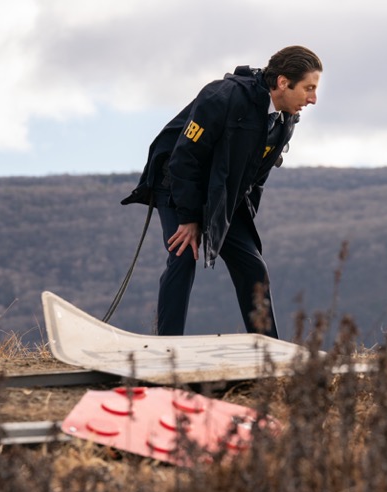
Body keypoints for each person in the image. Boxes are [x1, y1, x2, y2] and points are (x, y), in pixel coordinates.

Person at [122, 45, 322, 338]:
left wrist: (238, 219)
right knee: (183, 256)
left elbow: (256, 178)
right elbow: (184, 159)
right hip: (177, 183)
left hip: (222, 193)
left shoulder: (285, 121)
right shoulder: (222, 96)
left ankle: (268, 350)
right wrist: (189, 217)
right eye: (309, 88)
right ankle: (167, 347)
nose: (313, 99)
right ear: (283, 82)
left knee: (252, 266)